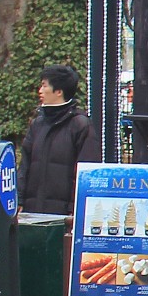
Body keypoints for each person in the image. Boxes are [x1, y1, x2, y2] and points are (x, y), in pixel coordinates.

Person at [18, 64, 101, 216]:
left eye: (44, 86)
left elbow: (86, 173)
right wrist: (19, 200)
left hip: (62, 216)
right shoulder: (37, 124)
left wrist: (73, 209)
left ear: (58, 91)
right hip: (31, 213)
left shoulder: (80, 125)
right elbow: (24, 166)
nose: (40, 91)